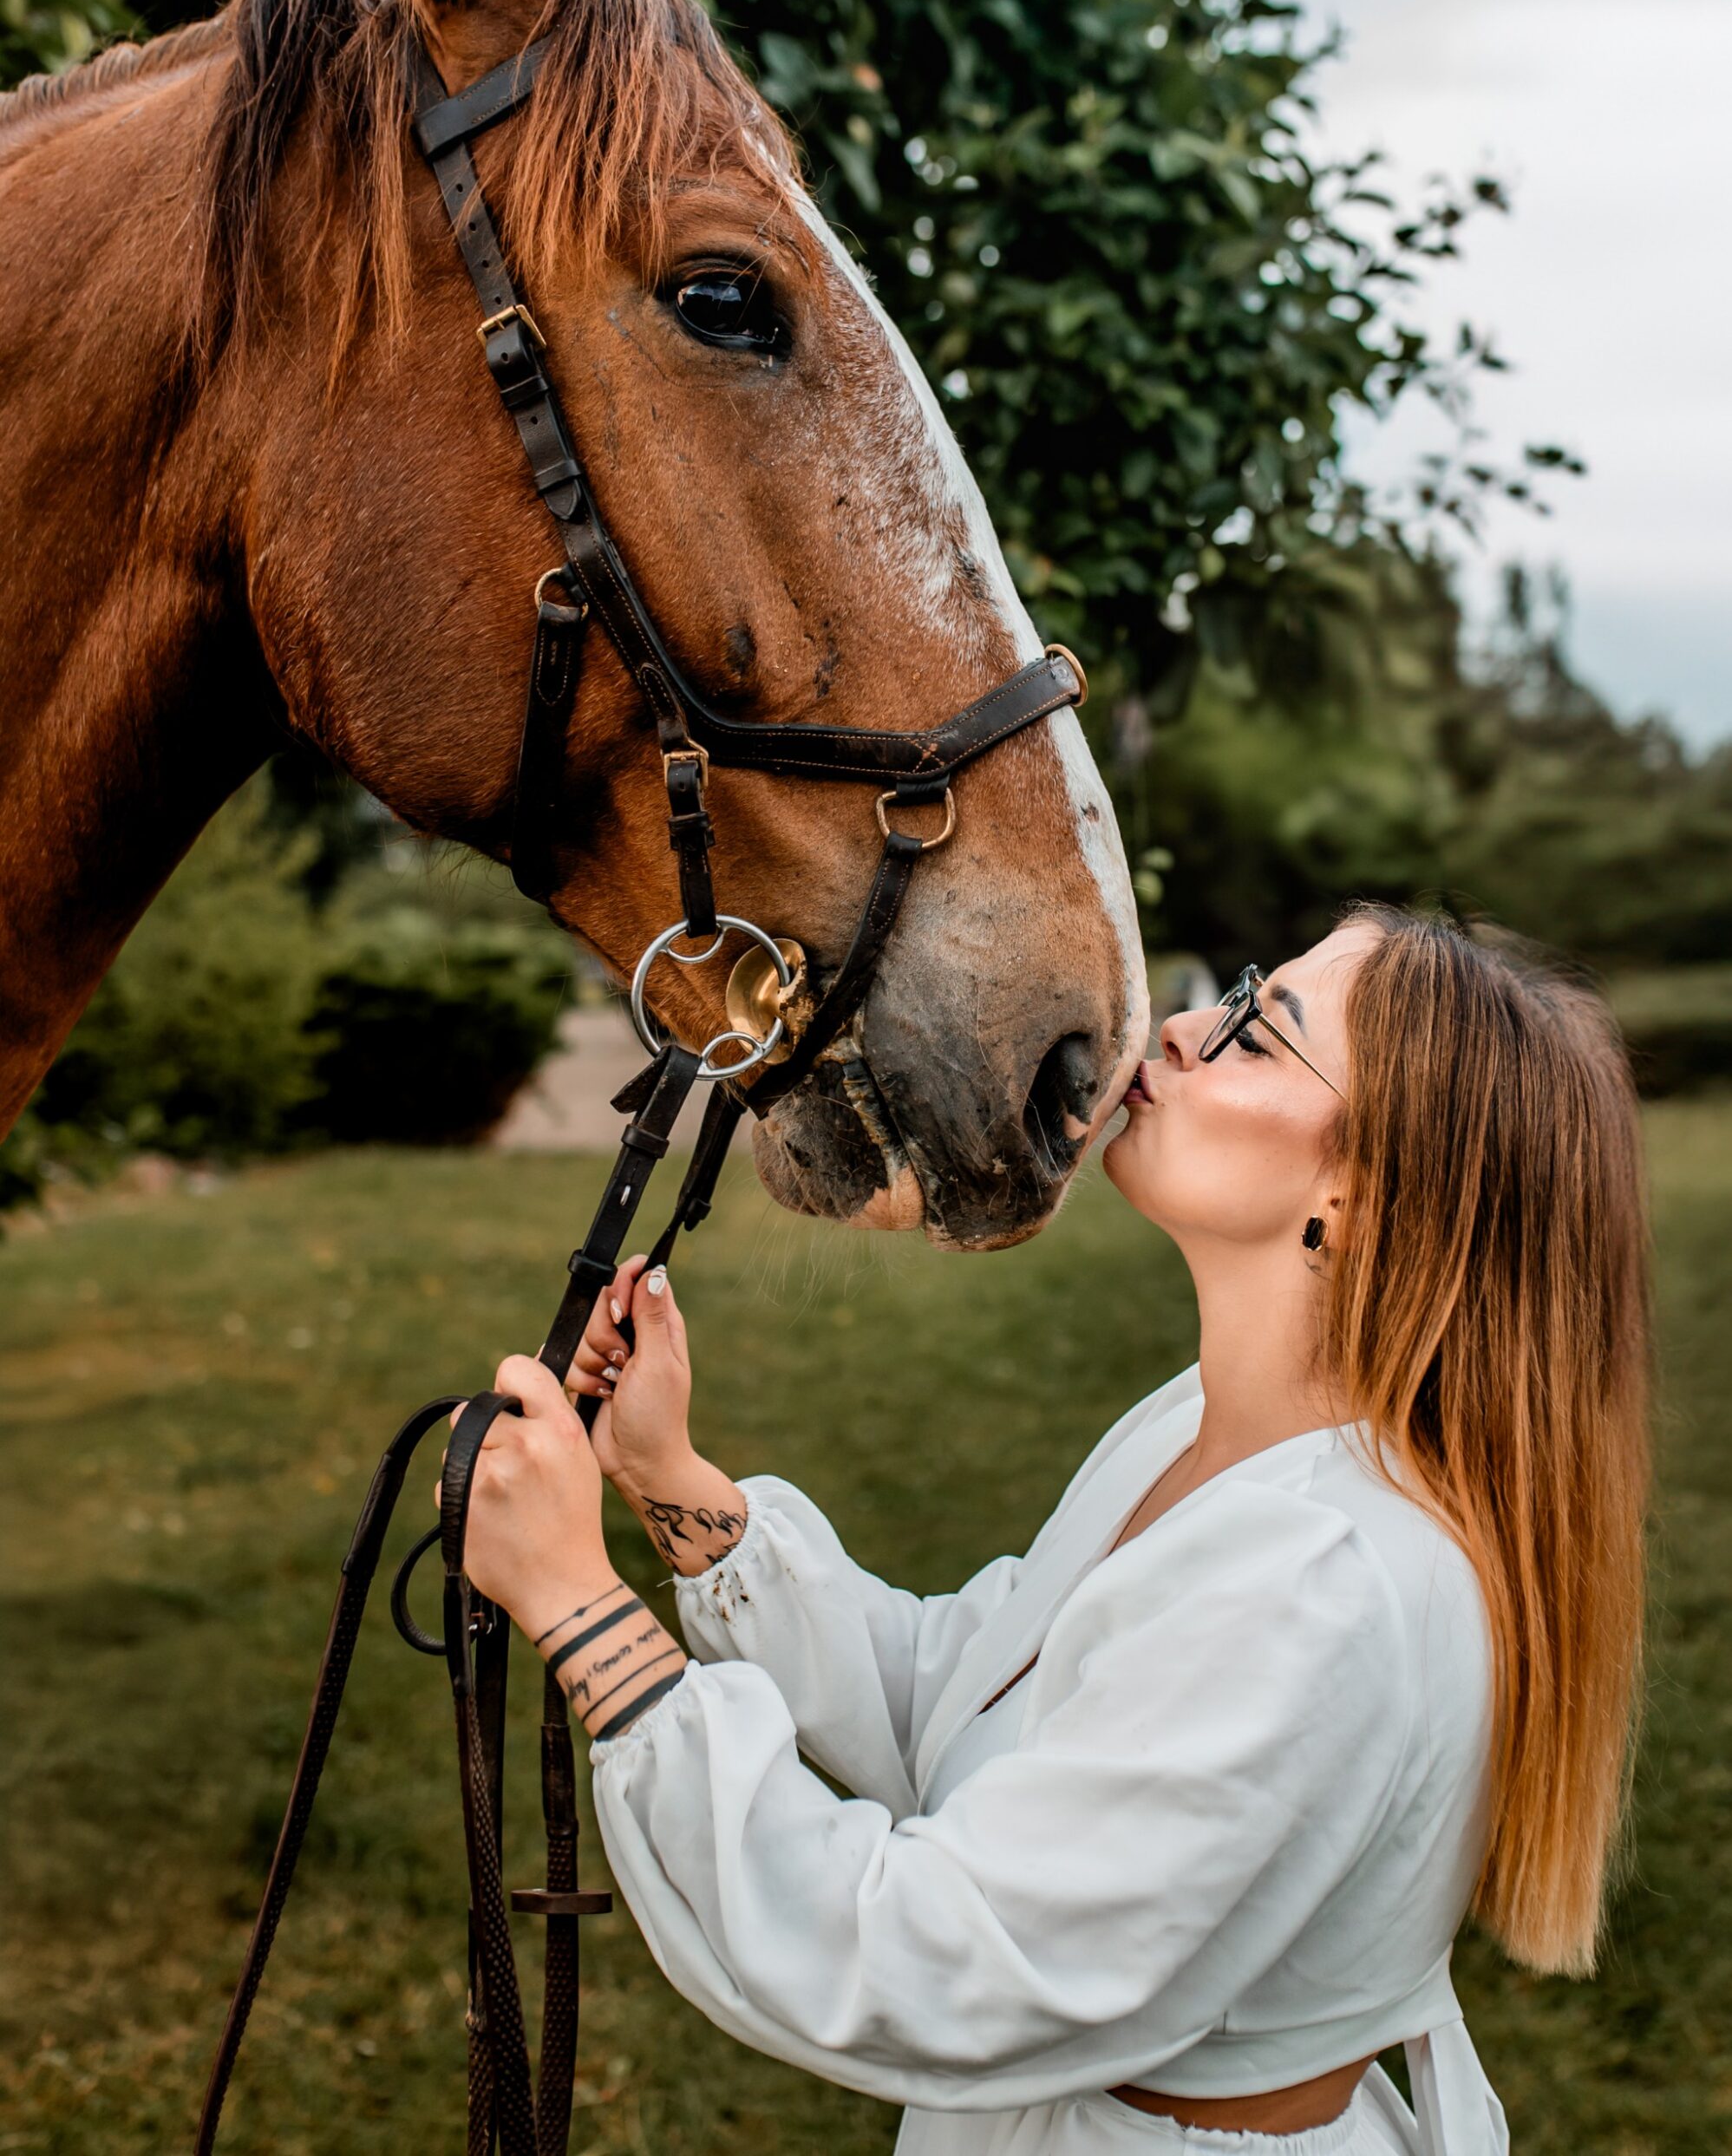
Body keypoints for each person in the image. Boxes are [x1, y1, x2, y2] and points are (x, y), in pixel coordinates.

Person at [454, 905, 1650, 2153]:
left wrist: (580, 1613)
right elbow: (974, 1709)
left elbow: (939, 1966)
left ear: (1358, 1196)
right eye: (1236, 992)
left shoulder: (1318, 1581)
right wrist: (664, 1479)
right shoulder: (1203, 1427)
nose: (1179, 1030)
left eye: (1255, 1034)